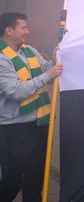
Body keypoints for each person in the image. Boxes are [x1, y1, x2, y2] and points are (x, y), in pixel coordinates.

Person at [0, 12, 63, 202]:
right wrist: (48, 74)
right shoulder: (2, 58)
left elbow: (48, 69)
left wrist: (57, 56)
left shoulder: (29, 50)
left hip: (40, 123)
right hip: (14, 129)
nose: (28, 31)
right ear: (9, 31)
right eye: (23, 28)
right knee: (14, 178)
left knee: (37, 177)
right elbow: (15, 91)